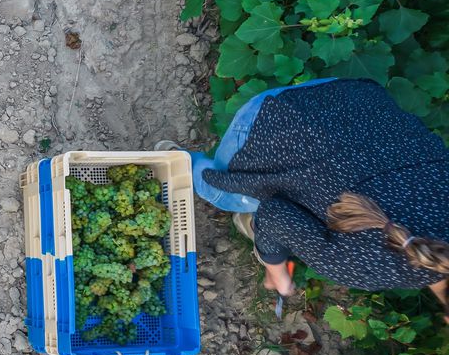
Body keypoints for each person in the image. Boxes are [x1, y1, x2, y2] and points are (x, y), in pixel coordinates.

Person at [164, 77, 448, 314]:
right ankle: (177, 160)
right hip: (271, 120)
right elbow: (274, 214)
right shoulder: (370, 267)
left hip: (349, 93)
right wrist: (276, 271)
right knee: (228, 195)